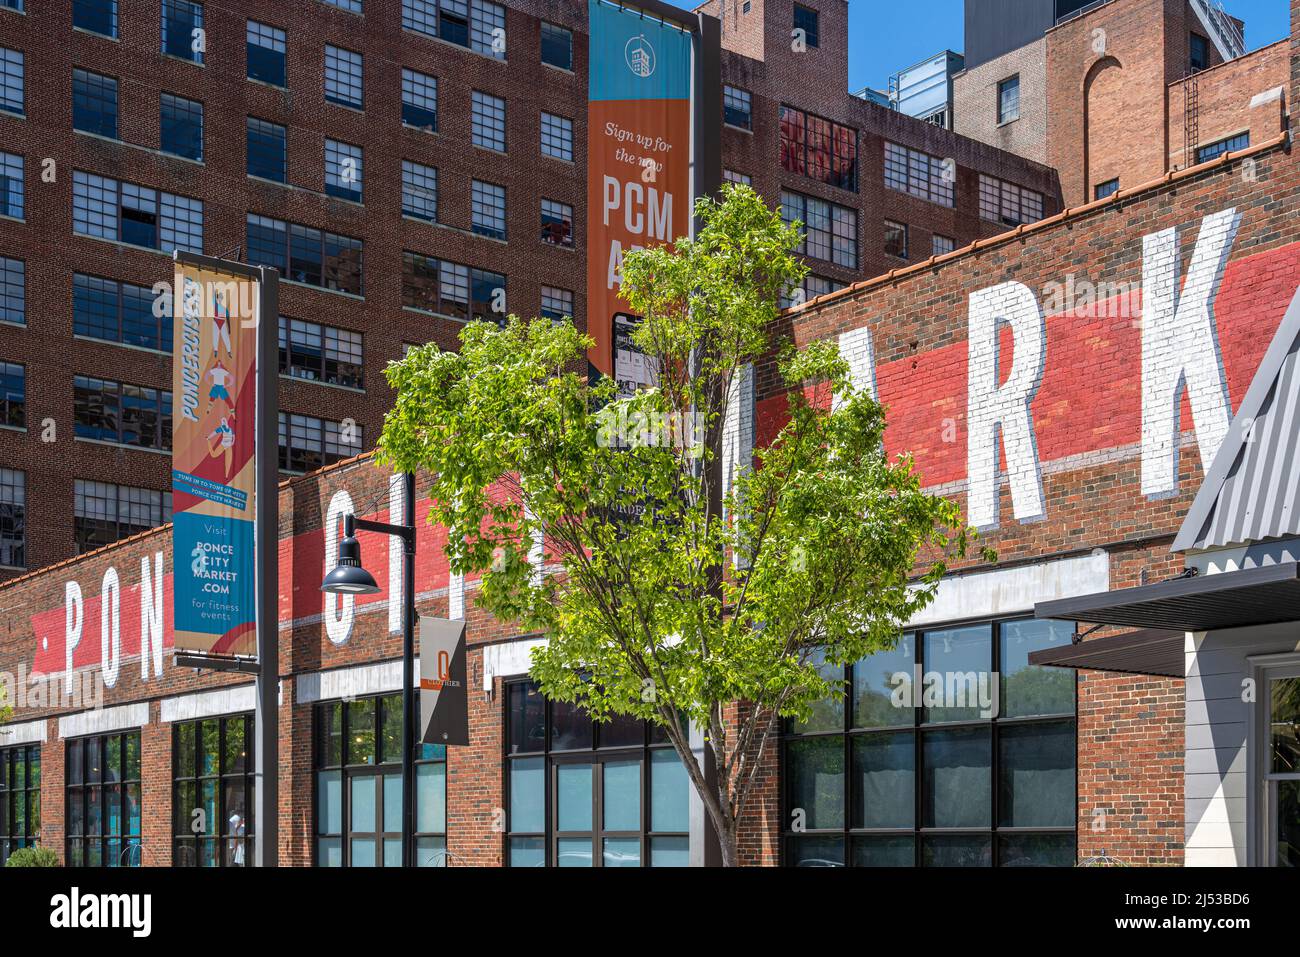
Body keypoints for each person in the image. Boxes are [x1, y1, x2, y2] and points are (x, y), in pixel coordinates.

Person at [207, 412, 237, 477]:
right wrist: (209, 437)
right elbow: (215, 432)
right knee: (214, 454)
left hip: (229, 445)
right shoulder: (222, 428)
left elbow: (234, 436)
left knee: (228, 461)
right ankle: (208, 442)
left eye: (224, 420)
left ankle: (226, 476)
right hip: (223, 444)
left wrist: (233, 442)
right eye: (222, 421)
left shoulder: (231, 429)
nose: (223, 422)